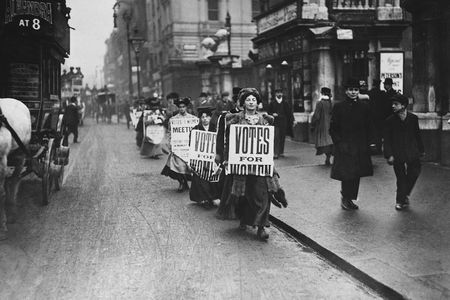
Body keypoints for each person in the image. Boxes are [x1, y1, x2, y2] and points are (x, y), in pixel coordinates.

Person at [216, 88, 287, 240]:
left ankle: (262, 226)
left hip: (260, 165)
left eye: (253, 100)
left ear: (257, 103)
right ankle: (245, 218)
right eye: (248, 100)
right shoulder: (235, 119)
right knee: (243, 195)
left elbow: (267, 142)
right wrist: (227, 158)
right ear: (243, 103)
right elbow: (230, 141)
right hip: (242, 165)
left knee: (263, 194)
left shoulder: (264, 119)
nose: (251, 102)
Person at [329, 78, 376, 210]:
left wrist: (371, 142)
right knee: (346, 173)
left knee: (356, 173)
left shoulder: (364, 107)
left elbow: (369, 126)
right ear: (346, 91)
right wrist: (339, 143)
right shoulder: (339, 107)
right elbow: (333, 128)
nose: (353, 92)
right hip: (344, 146)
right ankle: (345, 198)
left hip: (360, 146)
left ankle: (351, 198)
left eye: (355, 90)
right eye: (350, 90)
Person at [383, 94, 424, 211]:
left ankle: (404, 194)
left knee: (414, 172)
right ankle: (400, 201)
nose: (393, 106)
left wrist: (421, 150)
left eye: (396, 104)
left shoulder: (413, 118)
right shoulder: (390, 121)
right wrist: (389, 155)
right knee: (401, 177)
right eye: (392, 104)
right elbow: (387, 139)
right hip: (397, 153)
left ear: (404, 105)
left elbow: (417, 135)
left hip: (412, 151)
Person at [161, 97, 197, 192]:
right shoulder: (173, 120)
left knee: (190, 167)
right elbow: (169, 132)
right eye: (180, 107)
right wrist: (170, 144)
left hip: (188, 147)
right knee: (179, 166)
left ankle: (190, 183)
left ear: (186, 107)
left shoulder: (193, 119)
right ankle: (182, 182)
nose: (182, 109)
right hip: (178, 148)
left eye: (183, 107)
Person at [189, 105, 220, 206]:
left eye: (207, 117)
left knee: (212, 177)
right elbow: (192, 144)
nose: (205, 119)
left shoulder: (215, 128)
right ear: (200, 118)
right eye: (202, 117)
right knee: (200, 177)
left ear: (210, 117)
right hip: (200, 159)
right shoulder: (195, 129)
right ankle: (203, 198)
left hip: (212, 158)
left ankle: (214, 196)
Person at [267, 88, 294, 159]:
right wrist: (272, 114)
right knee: (276, 137)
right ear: (275, 94)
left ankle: (281, 152)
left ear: (282, 94)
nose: (279, 94)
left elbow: (289, 113)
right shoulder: (272, 103)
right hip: (275, 123)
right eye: (278, 93)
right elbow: (268, 113)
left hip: (283, 122)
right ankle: (275, 153)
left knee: (282, 137)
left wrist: (292, 120)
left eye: (280, 93)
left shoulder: (285, 103)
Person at [311, 87, 334, 165]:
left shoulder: (320, 103)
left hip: (322, 126)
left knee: (324, 142)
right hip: (331, 126)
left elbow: (316, 116)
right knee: (330, 142)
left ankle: (327, 157)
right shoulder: (332, 102)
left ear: (321, 93)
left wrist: (313, 124)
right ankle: (328, 157)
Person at [368, 79, 389, 153]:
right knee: (379, 132)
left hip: (371, 115)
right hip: (380, 116)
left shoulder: (369, 93)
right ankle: (379, 148)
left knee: (373, 132)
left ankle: (372, 148)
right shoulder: (382, 93)